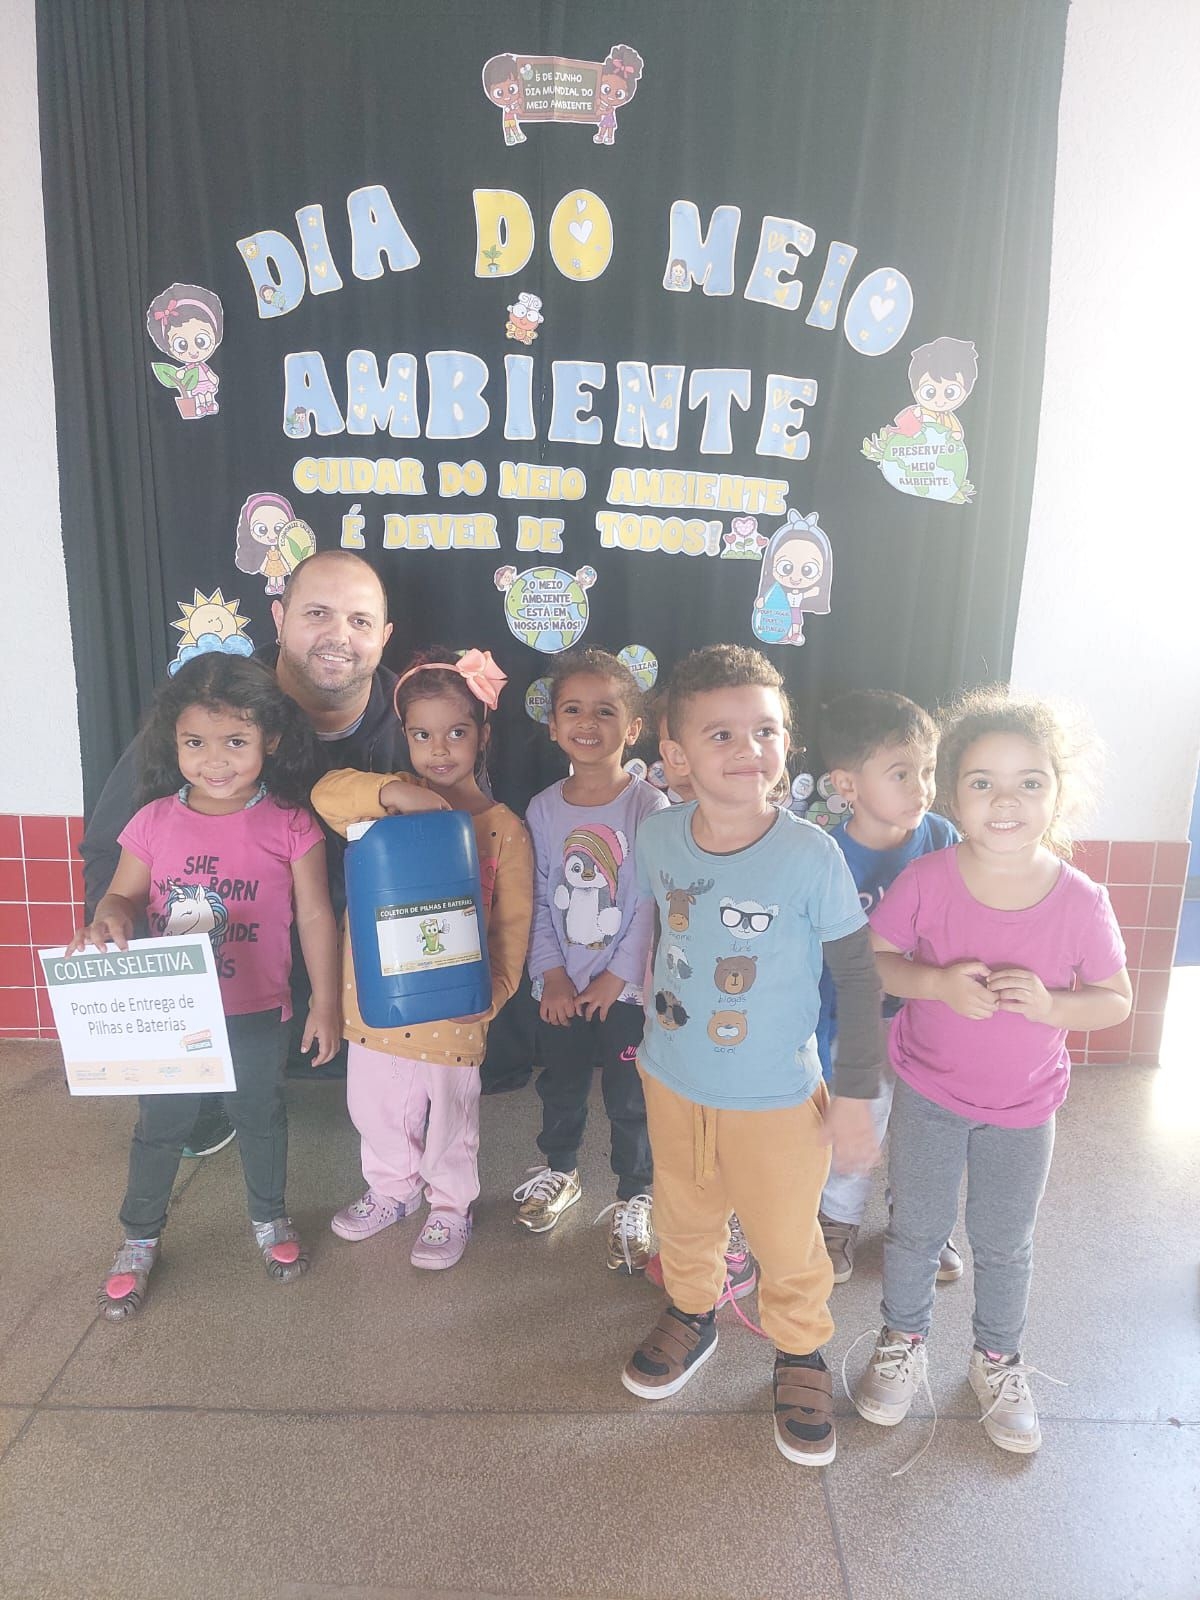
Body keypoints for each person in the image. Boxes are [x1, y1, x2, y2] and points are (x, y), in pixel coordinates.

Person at [620, 645, 884, 1468]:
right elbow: (660, 934)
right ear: (676, 756)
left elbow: (858, 976)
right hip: (673, 1081)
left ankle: (799, 1348)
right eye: (722, 734)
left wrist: (854, 1092)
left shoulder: (811, 854)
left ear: (787, 742)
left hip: (775, 1097)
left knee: (785, 1236)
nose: (749, 750)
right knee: (684, 1212)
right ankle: (692, 1311)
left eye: (766, 731)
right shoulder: (658, 836)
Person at [851, 688, 1131, 1455]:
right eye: (983, 782)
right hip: (930, 1094)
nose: (1005, 801)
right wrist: (937, 984)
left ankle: (997, 1360)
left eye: (1028, 782)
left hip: (1025, 1108)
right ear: (952, 792)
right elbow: (875, 959)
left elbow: (1114, 999)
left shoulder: (1081, 901)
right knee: (916, 1230)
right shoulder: (928, 878)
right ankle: (902, 1341)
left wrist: (1050, 1004)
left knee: (1005, 1242)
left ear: (1058, 792)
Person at [80, 550, 407, 1156]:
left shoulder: (419, 717)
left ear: (384, 637)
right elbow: (110, 850)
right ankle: (207, 1089)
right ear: (279, 617)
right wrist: (122, 932)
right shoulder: (211, 705)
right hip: (223, 954)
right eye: (317, 613)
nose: (338, 636)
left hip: (359, 957)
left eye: (359, 620)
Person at [67, 655, 340, 1319]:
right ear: (174, 742)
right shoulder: (154, 821)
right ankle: (138, 1237)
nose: (214, 760)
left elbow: (315, 916)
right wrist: (110, 916)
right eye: (196, 742)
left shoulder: (292, 823)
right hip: (174, 1014)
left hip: (258, 1011)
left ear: (270, 740)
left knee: (260, 1116)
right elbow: (123, 895)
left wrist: (327, 1003)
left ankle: (269, 1219)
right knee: (162, 1125)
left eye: (235, 742)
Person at [311, 648, 532, 1269]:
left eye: (456, 733)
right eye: (422, 735)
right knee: (374, 1109)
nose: (439, 750)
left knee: (450, 1121)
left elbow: (513, 924)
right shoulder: (382, 802)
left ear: (482, 736)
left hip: (454, 1012)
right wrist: (395, 794)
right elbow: (326, 794)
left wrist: (497, 990)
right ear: (404, 736)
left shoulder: (503, 829)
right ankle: (392, 1190)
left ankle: (450, 1206)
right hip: (378, 1007)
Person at [515, 648, 667, 1272]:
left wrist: (617, 976)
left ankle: (636, 1193)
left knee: (630, 1099)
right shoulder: (542, 808)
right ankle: (561, 1169)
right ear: (553, 725)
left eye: (606, 711)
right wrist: (551, 974)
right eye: (573, 710)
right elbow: (535, 899)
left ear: (633, 728)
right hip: (560, 990)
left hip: (624, 994)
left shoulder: (648, 806)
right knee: (562, 1085)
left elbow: (650, 903)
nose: (588, 722)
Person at [812, 690, 962, 1285]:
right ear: (847, 785)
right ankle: (837, 1219)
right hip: (855, 1027)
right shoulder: (826, 856)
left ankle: (920, 1223)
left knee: (928, 1130)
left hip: (931, 1017)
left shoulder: (942, 837)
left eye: (927, 770)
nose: (921, 788)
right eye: (901, 773)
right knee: (861, 1123)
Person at [641, 688, 757, 1309]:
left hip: (740, 1028)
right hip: (677, 1025)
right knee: (686, 1154)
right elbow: (655, 922)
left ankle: (733, 1242)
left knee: (735, 1140)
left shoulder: (759, 834)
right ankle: (690, 1250)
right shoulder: (661, 830)